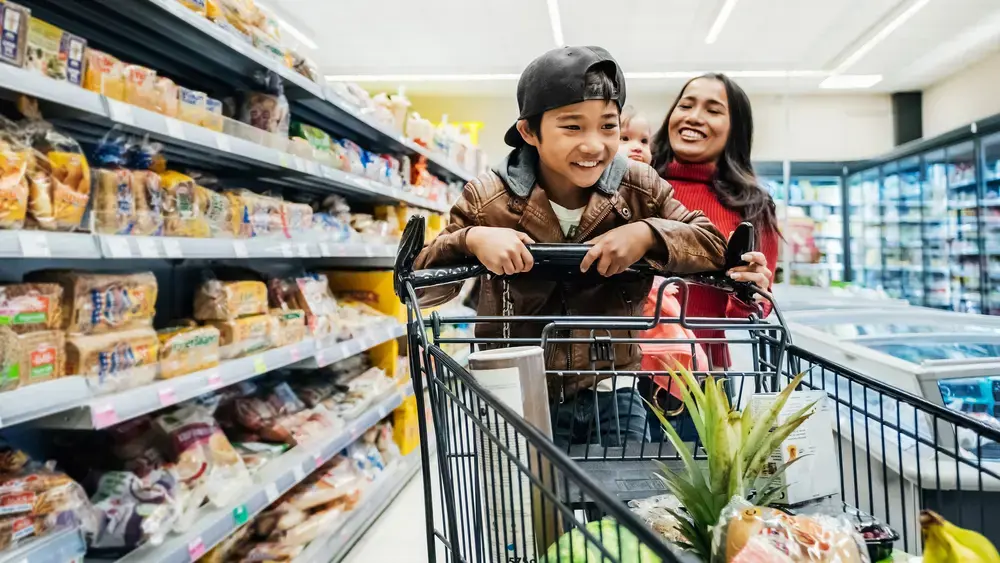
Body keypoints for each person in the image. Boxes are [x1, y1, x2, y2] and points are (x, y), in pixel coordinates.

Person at [412, 46, 727, 448]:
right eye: (572, 127)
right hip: (519, 391)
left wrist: (648, 233)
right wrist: (471, 240)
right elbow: (421, 288)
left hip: (615, 387)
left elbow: (712, 243)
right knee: (528, 508)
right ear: (529, 132)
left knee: (624, 504)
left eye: (608, 126)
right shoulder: (488, 197)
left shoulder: (640, 188)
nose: (595, 145)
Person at [644, 73, 780, 440]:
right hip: (621, 371)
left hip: (699, 380)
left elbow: (753, 311)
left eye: (713, 109)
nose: (693, 116)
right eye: (686, 104)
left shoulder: (751, 205)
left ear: (734, 129)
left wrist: (751, 292)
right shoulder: (636, 181)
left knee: (696, 493)